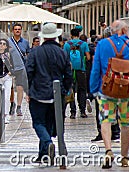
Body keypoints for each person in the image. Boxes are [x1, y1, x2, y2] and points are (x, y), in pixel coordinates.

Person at [90, 20, 129, 168]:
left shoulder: (102, 44)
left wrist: (94, 88)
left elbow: (96, 69)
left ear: (112, 31)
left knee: (105, 120)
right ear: (125, 31)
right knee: (126, 123)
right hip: (126, 92)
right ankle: (124, 157)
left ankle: (108, 150)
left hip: (106, 90)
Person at [26, 23, 72, 163]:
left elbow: (29, 72)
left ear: (43, 37)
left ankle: (47, 143)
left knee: (39, 123)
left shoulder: (35, 52)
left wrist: (30, 89)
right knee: (51, 124)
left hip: (38, 93)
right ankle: (43, 154)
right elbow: (68, 74)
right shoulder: (62, 52)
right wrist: (64, 90)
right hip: (57, 95)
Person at [63, 28, 90, 119]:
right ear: (79, 34)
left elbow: (65, 58)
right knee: (82, 90)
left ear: (71, 35)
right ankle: (82, 111)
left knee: (71, 90)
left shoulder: (67, 45)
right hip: (81, 70)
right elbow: (88, 57)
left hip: (70, 70)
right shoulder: (84, 44)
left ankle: (73, 112)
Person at [8, 23, 30, 116]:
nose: (17, 31)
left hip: (21, 68)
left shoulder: (25, 42)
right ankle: (11, 104)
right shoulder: (8, 41)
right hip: (9, 68)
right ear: (13, 31)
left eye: (19, 29)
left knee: (19, 87)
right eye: (16, 29)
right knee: (10, 88)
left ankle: (19, 107)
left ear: (21, 31)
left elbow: (28, 54)